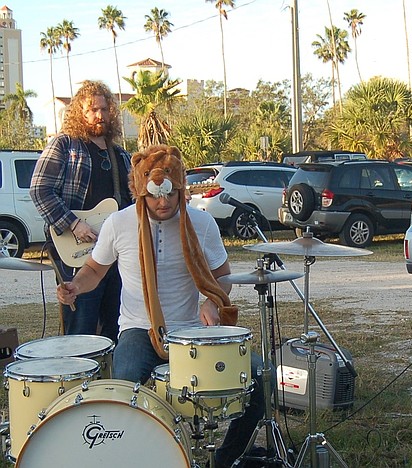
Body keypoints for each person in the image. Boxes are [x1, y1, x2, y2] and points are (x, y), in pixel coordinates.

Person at [57, 145, 263, 467]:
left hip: (191, 332)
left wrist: (211, 300)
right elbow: (95, 270)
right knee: (125, 389)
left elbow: (224, 277)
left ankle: (224, 459)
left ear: (180, 187)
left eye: (170, 194)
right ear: (140, 191)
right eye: (154, 195)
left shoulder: (202, 223)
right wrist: (75, 286)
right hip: (139, 328)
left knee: (258, 378)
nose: (163, 202)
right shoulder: (118, 223)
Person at [30, 80, 133, 342]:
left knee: (117, 324)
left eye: (104, 109)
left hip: (114, 254)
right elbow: (40, 189)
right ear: (80, 112)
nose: (99, 115)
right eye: (92, 110)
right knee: (81, 328)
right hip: (77, 251)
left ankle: (110, 380)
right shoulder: (64, 145)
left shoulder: (120, 155)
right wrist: (74, 224)